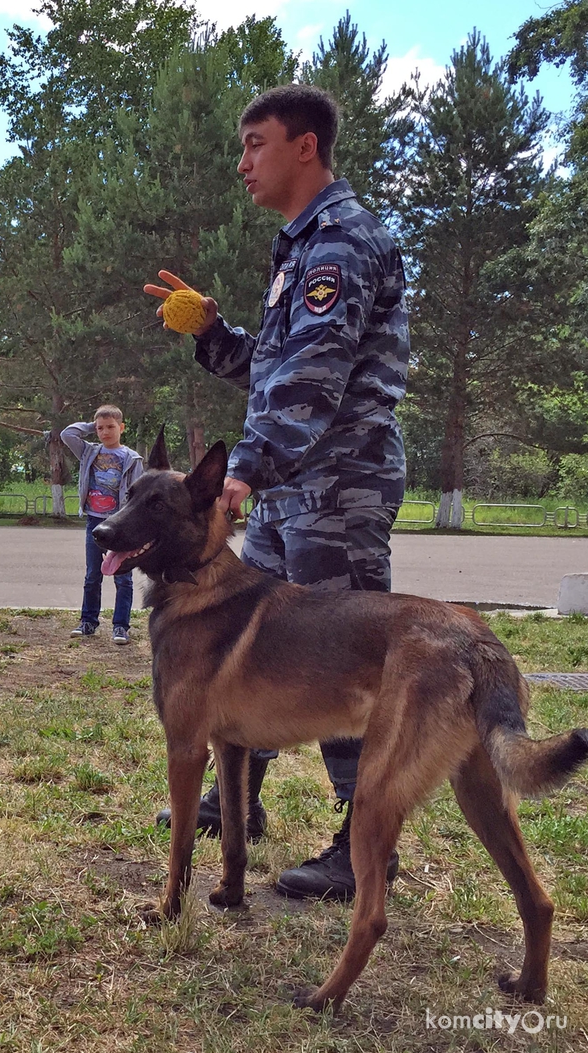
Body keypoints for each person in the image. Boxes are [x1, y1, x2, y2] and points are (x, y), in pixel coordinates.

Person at [146, 84, 410, 900]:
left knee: (349, 664)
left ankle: (362, 843)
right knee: (248, 647)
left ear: (305, 147)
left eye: (255, 142)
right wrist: (216, 336)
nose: (242, 161)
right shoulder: (299, 252)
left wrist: (244, 468)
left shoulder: (340, 244)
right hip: (290, 489)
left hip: (337, 487)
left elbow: (312, 383)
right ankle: (235, 802)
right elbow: (275, 366)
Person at [58, 406, 145, 644]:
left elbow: (138, 492)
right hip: (95, 520)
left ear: (122, 428)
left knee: (122, 577)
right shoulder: (89, 452)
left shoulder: (131, 458)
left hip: (120, 523)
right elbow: (67, 434)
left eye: (111, 427)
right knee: (92, 575)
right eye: (100, 428)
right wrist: (92, 424)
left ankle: (120, 626)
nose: (105, 432)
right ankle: (88, 621)